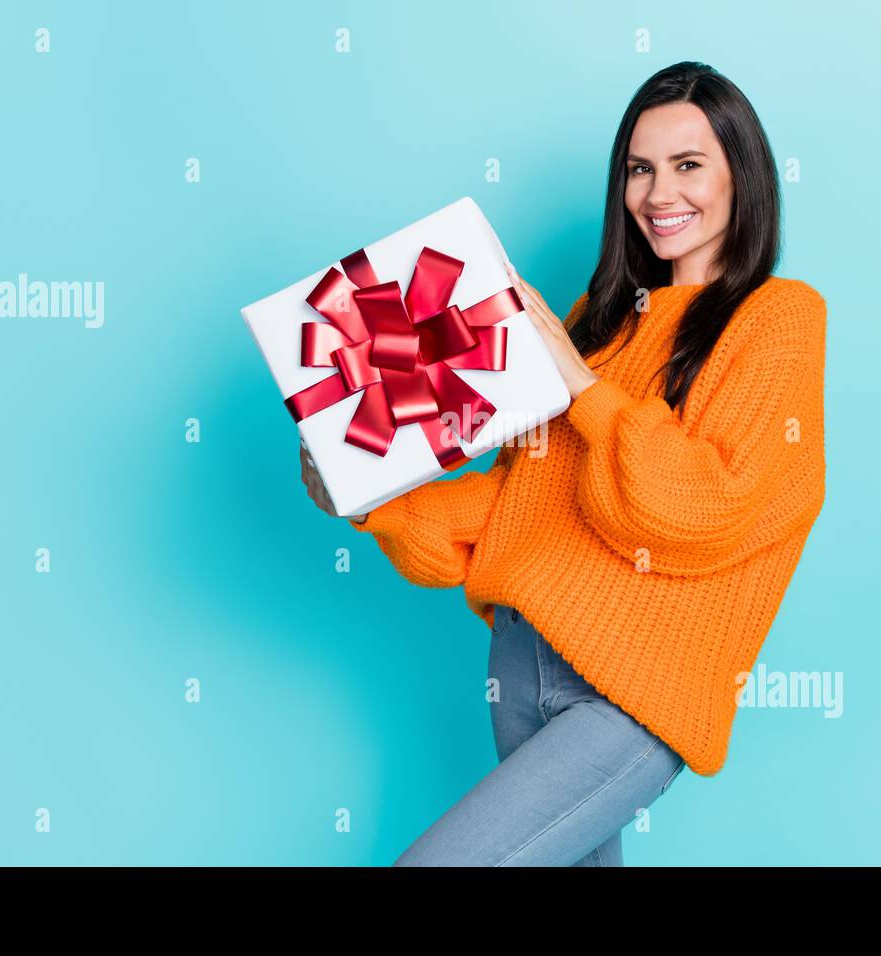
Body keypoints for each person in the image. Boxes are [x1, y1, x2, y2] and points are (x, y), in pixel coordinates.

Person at [300, 60, 827, 866]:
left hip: (627, 693)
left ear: (742, 175)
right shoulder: (595, 322)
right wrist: (371, 499)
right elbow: (516, 505)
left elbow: (702, 509)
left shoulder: (777, 319)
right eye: (639, 170)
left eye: (689, 165)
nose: (659, 194)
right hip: (516, 668)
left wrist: (580, 386)